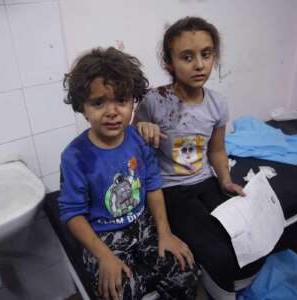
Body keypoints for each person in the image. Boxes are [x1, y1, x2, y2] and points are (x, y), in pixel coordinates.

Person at [134, 17, 264, 299]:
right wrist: (140, 129)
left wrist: (226, 180)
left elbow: (216, 150)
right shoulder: (153, 101)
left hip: (205, 180)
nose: (199, 64)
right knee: (216, 252)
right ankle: (214, 286)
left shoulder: (217, 103)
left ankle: (229, 282)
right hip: (170, 189)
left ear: (214, 56)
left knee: (246, 240)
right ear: (169, 62)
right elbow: (131, 148)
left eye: (206, 54)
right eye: (187, 57)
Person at [59, 47, 200, 300]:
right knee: (117, 292)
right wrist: (104, 256)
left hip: (143, 224)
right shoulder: (75, 156)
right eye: (99, 102)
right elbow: (72, 214)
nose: (112, 111)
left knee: (185, 268)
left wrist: (165, 233)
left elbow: (153, 186)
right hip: (104, 236)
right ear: (83, 107)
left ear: (134, 101)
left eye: (121, 100)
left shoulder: (139, 139)